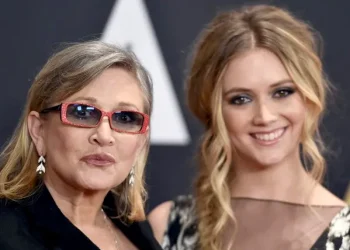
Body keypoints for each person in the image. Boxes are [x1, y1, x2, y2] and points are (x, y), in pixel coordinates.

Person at [148, 4, 350, 250]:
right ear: (212, 109)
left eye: (282, 92)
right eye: (241, 99)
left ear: (308, 97)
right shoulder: (169, 226)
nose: (264, 116)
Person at [0, 41, 162, 250]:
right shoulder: (7, 232)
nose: (104, 136)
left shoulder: (136, 227)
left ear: (141, 140)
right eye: (82, 112)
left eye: (125, 117)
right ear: (39, 130)